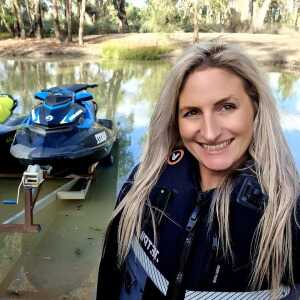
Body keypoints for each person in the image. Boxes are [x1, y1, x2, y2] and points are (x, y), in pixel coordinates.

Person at [96, 41, 300, 300]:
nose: (211, 132)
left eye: (226, 107)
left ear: (255, 108)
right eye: (192, 112)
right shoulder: (144, 183)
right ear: (175, 120)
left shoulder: (288, 214)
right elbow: (110, 278)